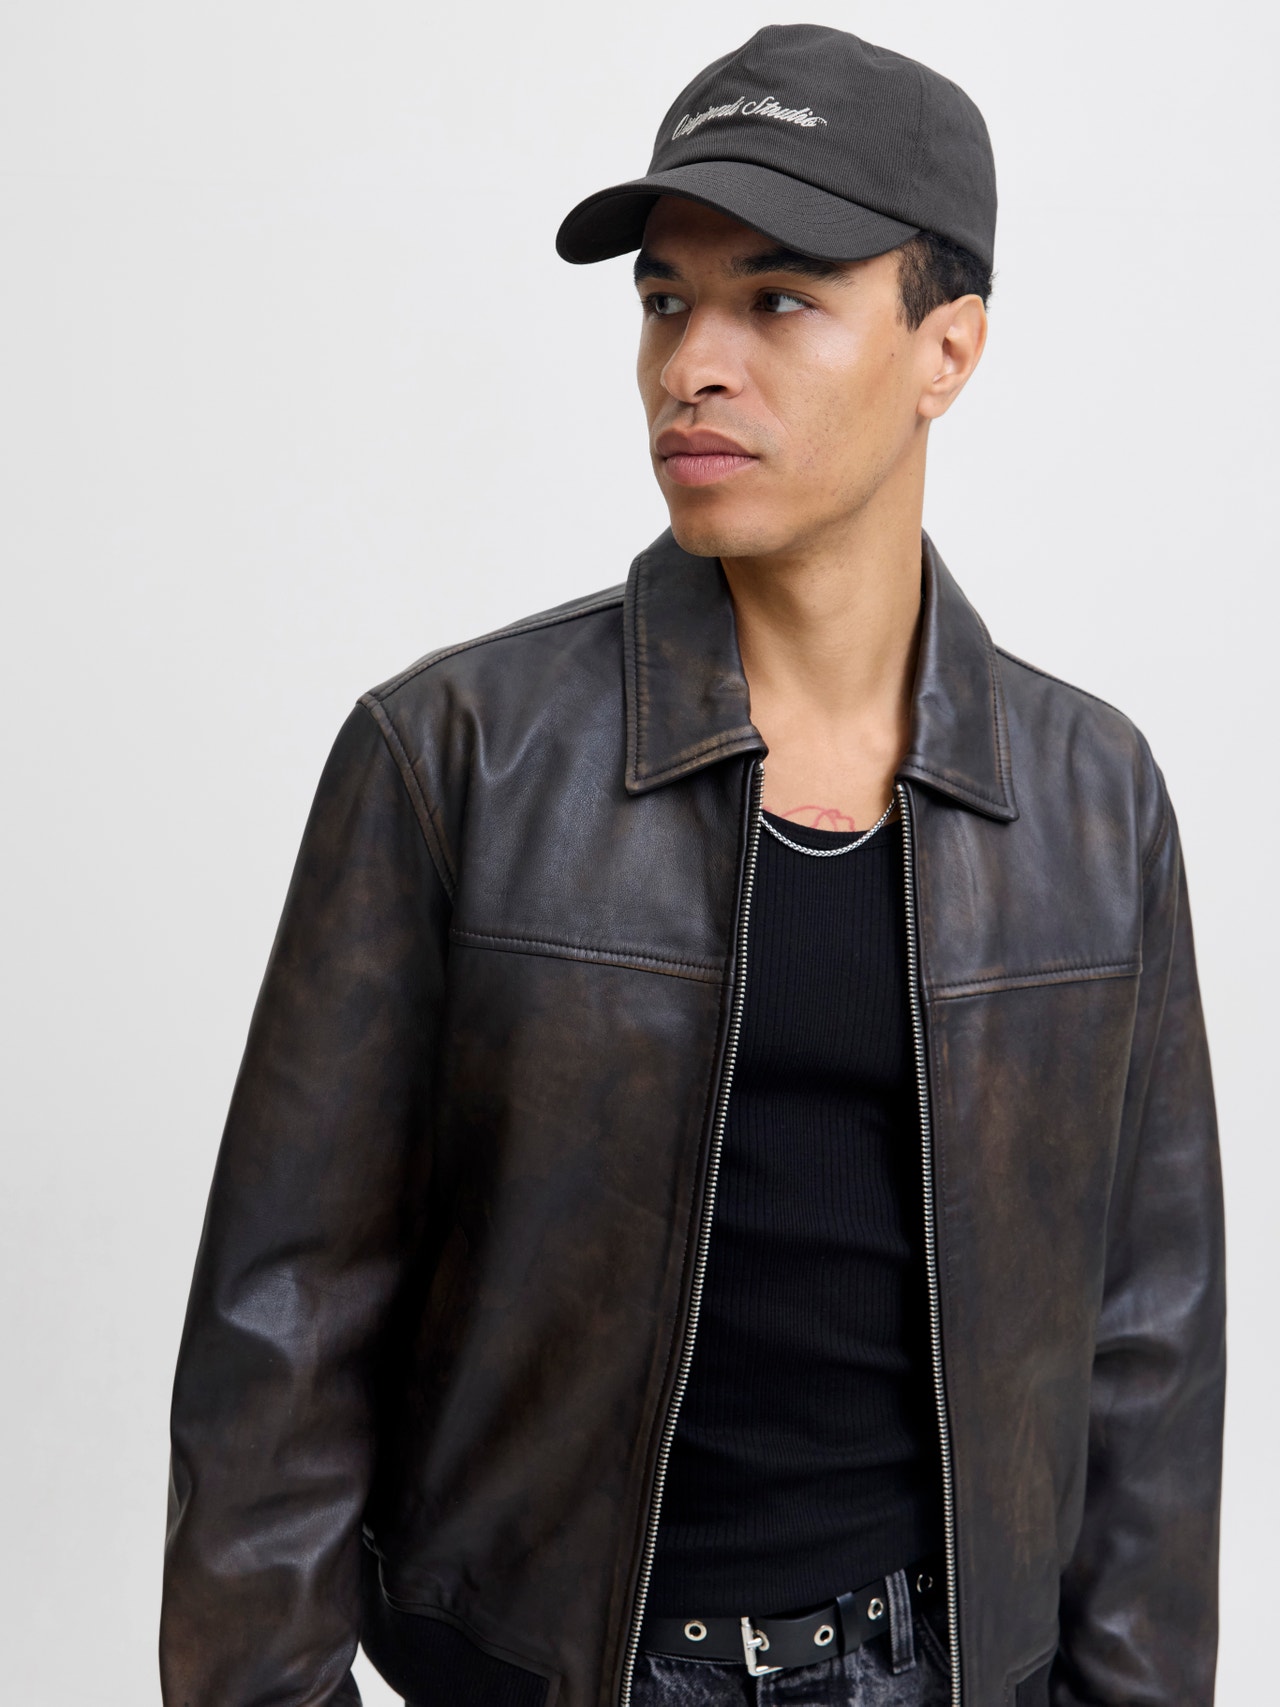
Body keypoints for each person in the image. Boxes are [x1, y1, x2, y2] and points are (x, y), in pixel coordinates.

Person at [160, 24, 1225, 1707]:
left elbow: (1148, 1355)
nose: (692, 366)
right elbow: (280, 1336)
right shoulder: (456, 756)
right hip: (548, 1673)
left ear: (948, 348)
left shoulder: (1094, 800)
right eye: (666, 302)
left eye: (777, 300)